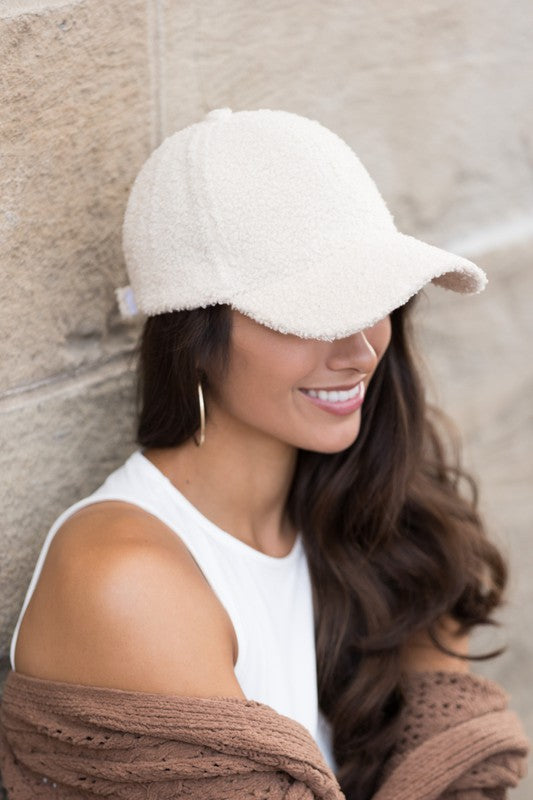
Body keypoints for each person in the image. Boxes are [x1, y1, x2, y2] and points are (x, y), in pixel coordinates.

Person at [3, 108, 527, 800]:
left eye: (372, 296)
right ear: (194, 333)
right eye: (311, 311)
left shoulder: (381, 516)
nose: (359, 350)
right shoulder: (123, 580)